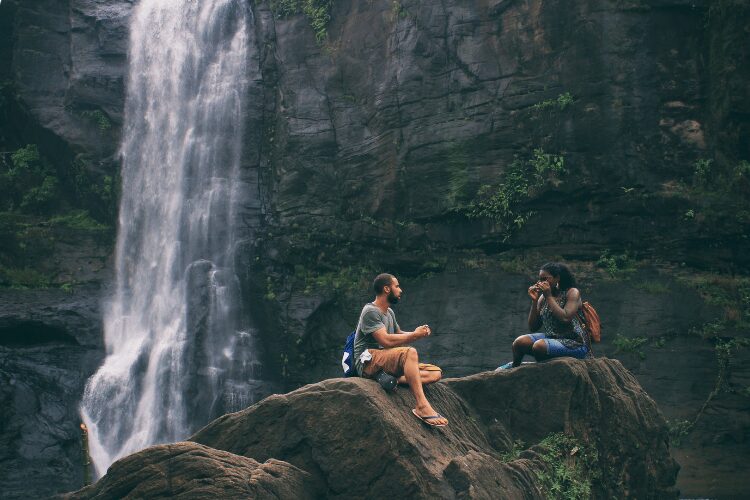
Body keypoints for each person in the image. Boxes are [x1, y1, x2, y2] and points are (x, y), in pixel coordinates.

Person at [353, 273, 448, 427]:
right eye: (396, 286)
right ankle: (422, 407)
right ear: (386, 289)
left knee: (435, 373)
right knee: (409, 352)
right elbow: (385, 340)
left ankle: (389, 379)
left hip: (385, 361)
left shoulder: (389, 312)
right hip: (367, 361)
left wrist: (416, 334)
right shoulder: (370, 311)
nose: (400, 290)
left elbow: (398, 334)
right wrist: (414, 336)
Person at [498, 262, 590, 369]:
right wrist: (535, 300)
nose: (540, 283)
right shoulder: (543, 297)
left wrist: (549, 296)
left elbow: (565, 318)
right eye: (540, 279)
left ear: (557, 278)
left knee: (539, 346)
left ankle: (545, 369)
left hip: (575, 343)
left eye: (545, 279)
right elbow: (533, 327)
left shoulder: (572, 292)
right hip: (553, 338)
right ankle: (514, 369)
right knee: (519, 342)